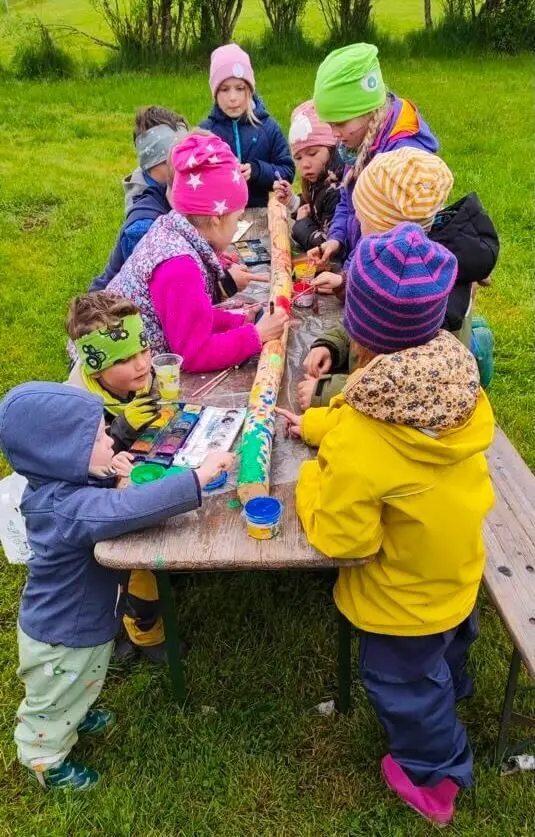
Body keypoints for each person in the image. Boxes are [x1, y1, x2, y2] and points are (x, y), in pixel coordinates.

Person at [278, 223, 495, 827]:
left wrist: (310, 482)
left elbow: (344, 538)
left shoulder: (365, 436)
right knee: (447, 645)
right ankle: (454, 685)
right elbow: (358, 415)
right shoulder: (449, 381)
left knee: (402, 685)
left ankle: (435, 775)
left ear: (359, 330)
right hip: (456, 566)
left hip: (402, 600)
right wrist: (315, 424)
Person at [0, 381, 233, 790]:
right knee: (51, 699)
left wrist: (108, 472)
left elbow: (94, 495)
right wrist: (197, 478)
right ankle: (42, 755)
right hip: (62, 637)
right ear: (59, 454)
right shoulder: (68, 510)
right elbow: (126, 508)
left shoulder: (57, 486)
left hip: (78, 626)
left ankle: (74, 711)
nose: (110, 438)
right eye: (97, 438)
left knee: (80, 681)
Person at [300, 148, 500, 409]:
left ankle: (479, 346)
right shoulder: (410, 268)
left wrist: (328, 391)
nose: (357, 223)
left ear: (385, 225)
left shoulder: (422, 288)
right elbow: (369, 318)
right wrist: (333, 344)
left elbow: (411, 387)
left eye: (362, 218)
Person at [106, 132, 288, 372]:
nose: (237, 227)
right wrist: (256, 335)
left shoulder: (173, 231)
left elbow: (195, 317)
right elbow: (193, 354)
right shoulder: (180, 265)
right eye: (237, 218)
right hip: (120, 371)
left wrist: (239, 321)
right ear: (216, 219)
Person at [66, 293, 168, 663]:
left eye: (143, 349)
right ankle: (143, 631)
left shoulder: (138, 375)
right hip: (90, 509)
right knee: (137, 564)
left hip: (133, 472)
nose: (141, 364)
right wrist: (122, 430)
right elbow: (83, 470)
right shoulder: (78, 407)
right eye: (124, 359)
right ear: (96, 370)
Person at [308, 42, 439, 290]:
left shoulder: (402, 161)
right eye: (330, 124)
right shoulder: (358, 142)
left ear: (367, 111)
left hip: (385, 283)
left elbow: (390, 242)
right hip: (361, 264)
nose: (334, 134)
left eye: (340, 123)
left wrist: (346, 279)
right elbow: (348, 198)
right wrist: (336, 239)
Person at [89, 106, 189, 292]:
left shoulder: (166, 183)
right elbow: (159, 286)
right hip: (118, 303)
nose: (183, 167)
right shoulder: (143, 225)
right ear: (151, 162)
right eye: (171, 160)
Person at [200, 44, 295, 208]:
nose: (232, 97)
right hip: (218, 216)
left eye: (240, 89)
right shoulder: (206, 133)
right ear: (215, 93)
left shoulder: (268, 128)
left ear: (250, 90)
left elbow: (287, 170)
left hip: (260, 213)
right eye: (224, 90)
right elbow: (195, 177)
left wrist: (257, 171)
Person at [274, 100, 344, 252]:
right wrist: (292, 202)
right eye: (298, 158)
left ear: (331, 148)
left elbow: (328, 246)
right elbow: (315, 208)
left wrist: (301, 224)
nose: (305, 164)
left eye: (312, 153)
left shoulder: (336, 190)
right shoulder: (321, 176)